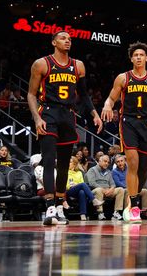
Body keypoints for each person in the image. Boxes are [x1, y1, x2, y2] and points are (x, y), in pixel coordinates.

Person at [27, 31, 103, 225]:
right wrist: (37, 118)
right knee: (49, 160)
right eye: (63, 38)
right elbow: (31, 94)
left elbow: (84, 95)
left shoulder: (78, 65)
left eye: (69, 39)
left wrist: (94, 113)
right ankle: (50, 207)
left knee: (63, 164)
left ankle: (60, 206)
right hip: (49, 113)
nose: (67, 40)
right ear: (54, 42)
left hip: (69, 114)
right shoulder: (42, 63)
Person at [101, 42, 147, 223]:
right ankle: (133, 206)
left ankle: (130, 200)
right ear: (131, 58)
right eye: (135, 55)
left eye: (142, 55)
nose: (139, 57)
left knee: (143, 170)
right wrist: (107, 105)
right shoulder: (123, 78)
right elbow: (111, 97)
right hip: (128, 122)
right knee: (133, 162)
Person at [86, 154, 126, 220]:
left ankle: (116, 212)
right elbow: (92, 183)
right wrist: (103, 189)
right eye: (105, 161)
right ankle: (100, 213)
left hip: (108, 191)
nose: (107, 163)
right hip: (95, 191)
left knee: (120, 189)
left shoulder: (108, 171)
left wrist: (111, 189)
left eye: (108, 162)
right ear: (99, 161)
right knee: (99, 190)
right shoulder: (92, 170)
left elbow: (113, 184)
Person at [65, 156, 100, 221]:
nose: (68, 163)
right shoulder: (65, 172)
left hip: (78, 190)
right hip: (69, 190)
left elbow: (82, 185)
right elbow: (66, 184)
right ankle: (94, 200)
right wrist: (76, 185)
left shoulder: (79, 173)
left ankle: (82, 214)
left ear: (74, 164)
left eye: (70, 162)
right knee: (83, 185)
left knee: (82, 192)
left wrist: (76, 185)